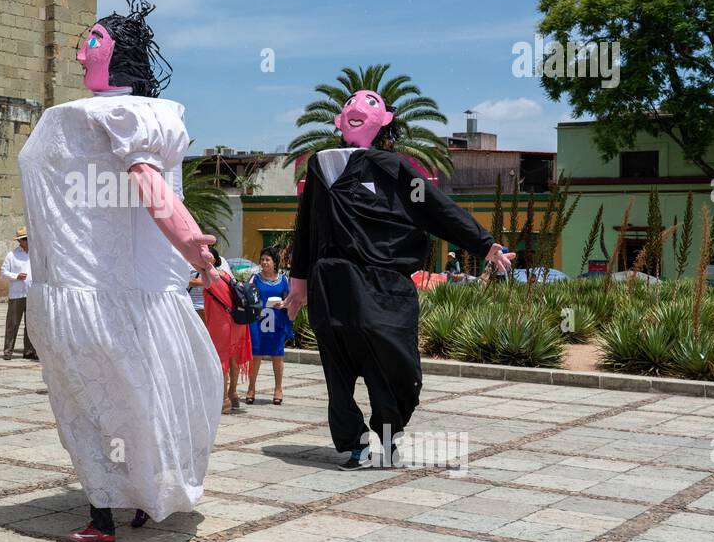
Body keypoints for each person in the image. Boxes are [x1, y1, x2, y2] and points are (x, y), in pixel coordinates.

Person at [18, 0, 222, 542]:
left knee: (96, 404)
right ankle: (134, 497)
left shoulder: (123, 115)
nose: (80, 55)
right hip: (82, 288)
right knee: (119, 398)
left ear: (117, 53)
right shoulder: (81, 118)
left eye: (92, 43)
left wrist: (190, 244)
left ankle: (105, 511)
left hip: (102, 293)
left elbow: (151, 183)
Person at [284, 90, 515, 470]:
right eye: (351, 105)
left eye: (371, 103)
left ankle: (389, 436)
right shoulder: (319, 166)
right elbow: (306, 225)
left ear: (385, 120)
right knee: (336, 369)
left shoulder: (394, 169)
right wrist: (299, 282)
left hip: (382, 287)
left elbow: (438, 209)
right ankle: (354, 444)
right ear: (339, 121)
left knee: (392, 363)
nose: (358, 108)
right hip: (332, 282)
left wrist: (485, 244)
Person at [203, 248, 248, 414]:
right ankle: (233, 394)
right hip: (237, 322)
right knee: (233, 359)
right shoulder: (227, 275)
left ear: (211, 261)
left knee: (221, 361)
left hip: (222, 324)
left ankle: (223, 401)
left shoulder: (211, 277)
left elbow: (193, 283)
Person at [247, 246, 291, 405]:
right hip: (257, 323)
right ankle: (251, 388)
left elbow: (290, 298)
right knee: (256, 355)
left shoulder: (284, 279)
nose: (264, 262)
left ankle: (278, 389)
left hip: (277, 323)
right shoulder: (254, 278)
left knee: (277, 356)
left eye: (267, 259)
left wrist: (284, 303)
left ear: (275, 262)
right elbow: (246, 296)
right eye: (262, 259)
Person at [0, 227, 36, 360]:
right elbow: (3, 272)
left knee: (31, 324)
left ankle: (29, 351)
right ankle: (8, 351)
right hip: (17, 294)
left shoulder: (35, 253)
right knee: (13, 323)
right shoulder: (12, 255)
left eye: (26, 239)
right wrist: (16, 276)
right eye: (23, 239)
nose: (25, 241)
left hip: (32, 294)